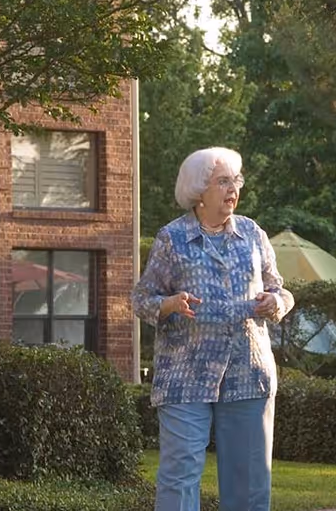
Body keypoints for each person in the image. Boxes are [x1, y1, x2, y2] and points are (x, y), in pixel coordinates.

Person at [132, 147, 293, 511]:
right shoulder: (171, 239)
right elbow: (142, 299)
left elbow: (280, 288)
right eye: (223, 181)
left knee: (250, 479)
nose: (233, 188)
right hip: (185, 375)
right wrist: (169, 304)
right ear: (198, 190)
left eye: (235, 180)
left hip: (248, 374)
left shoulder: (253, 233)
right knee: (180, 475)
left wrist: (277, 303)